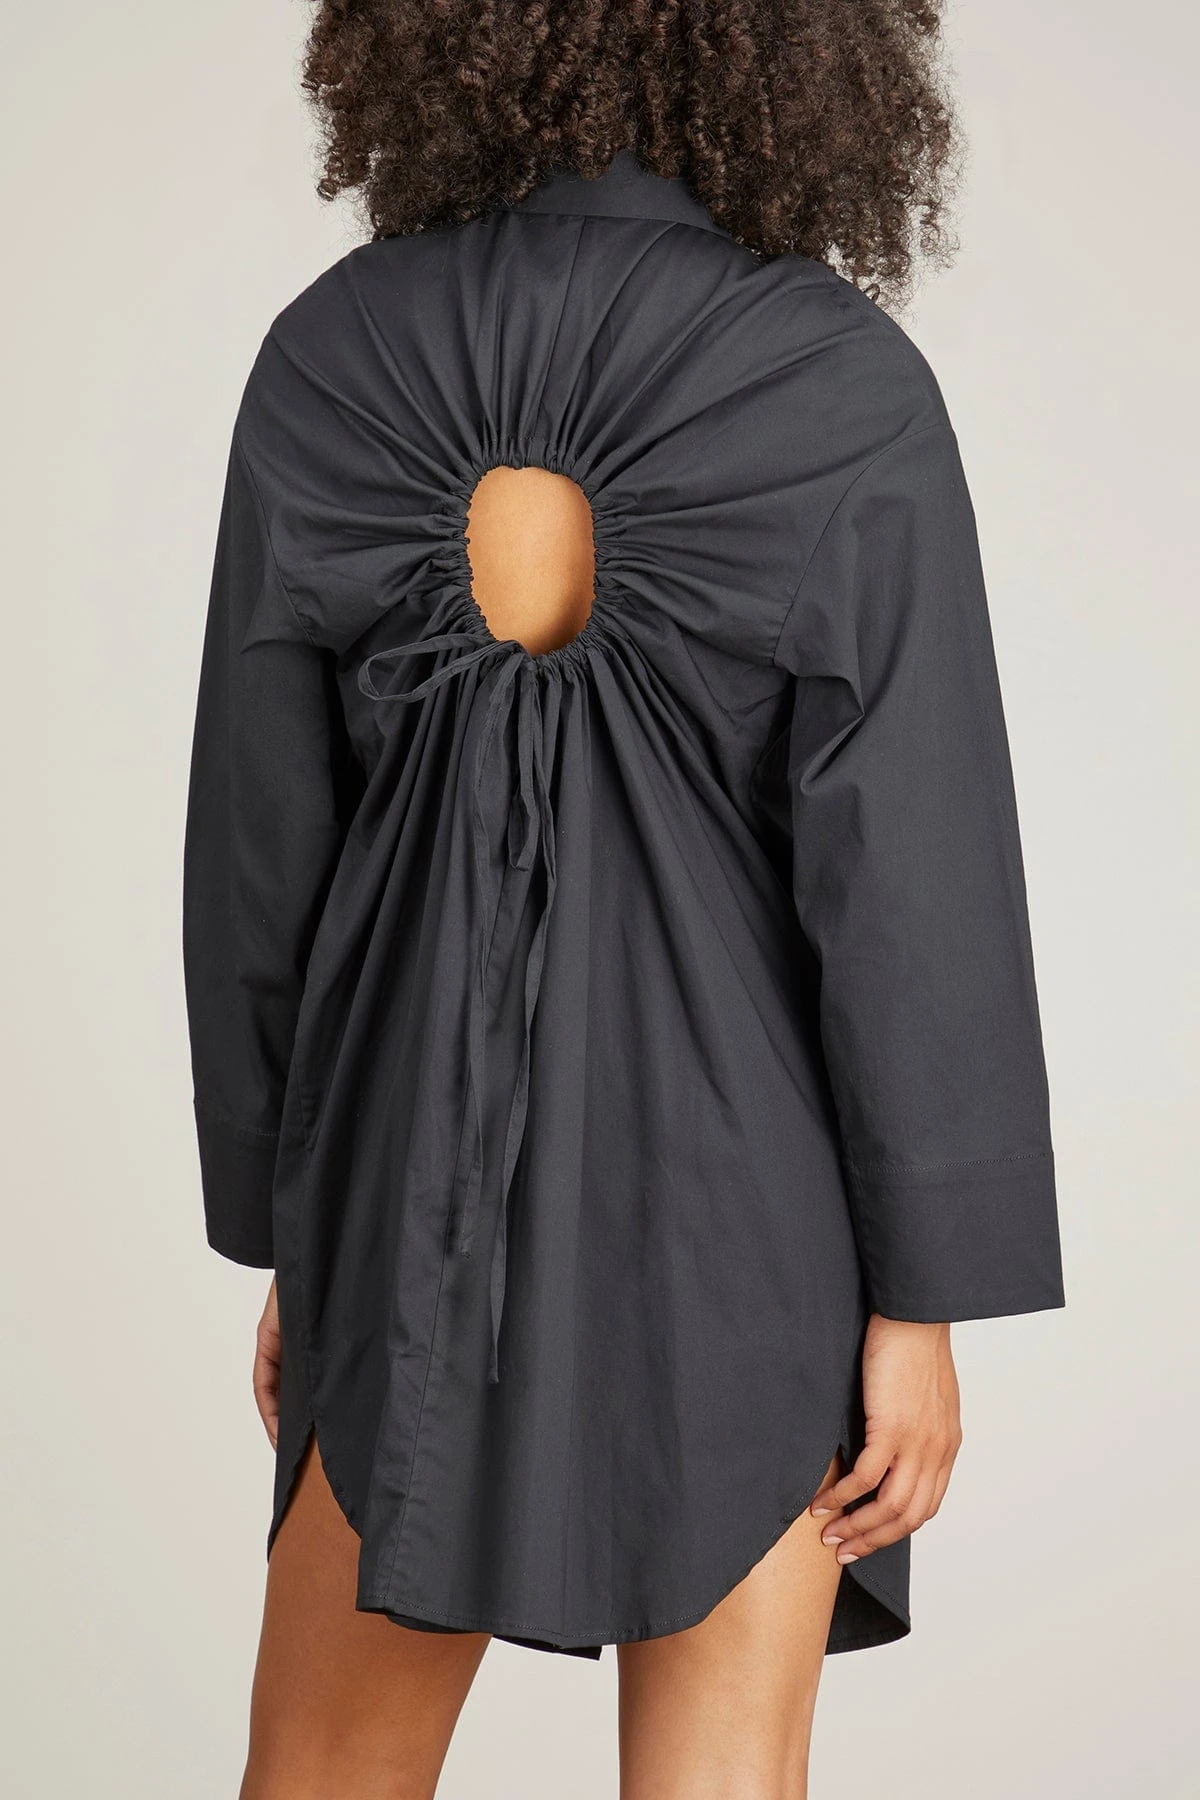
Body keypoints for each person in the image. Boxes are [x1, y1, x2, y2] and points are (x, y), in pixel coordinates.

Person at [181, 4, 1067, 1795]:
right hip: (744, 1216)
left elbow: (258, 853)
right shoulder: (837, 383)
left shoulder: (333, 355)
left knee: (322, 1770)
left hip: (398, 1185)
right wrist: (919, 1308)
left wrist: (296, 1222)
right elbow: (913, 889)